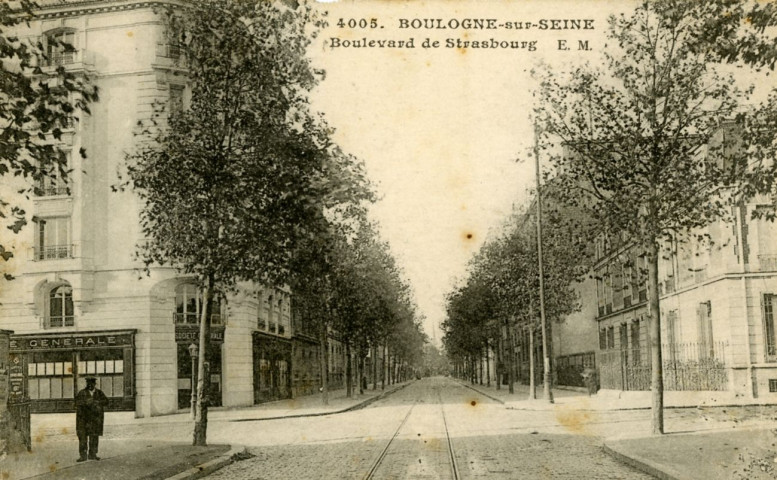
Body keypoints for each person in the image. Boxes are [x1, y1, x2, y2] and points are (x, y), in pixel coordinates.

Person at [75, 376, 108, 462]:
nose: (90, 385)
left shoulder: (99, 393)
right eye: (88, 383)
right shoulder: (82, 393)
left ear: (94, 384)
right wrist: (86, 402)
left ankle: (93, 454)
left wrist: (97, 402)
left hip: (95, 419)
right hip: (83, 419)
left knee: (94, 437)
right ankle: (83, 456)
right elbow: (76, 403)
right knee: (82, 437)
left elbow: (106, 401)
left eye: (91, 383)